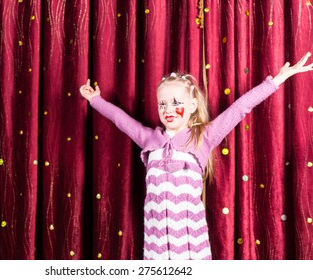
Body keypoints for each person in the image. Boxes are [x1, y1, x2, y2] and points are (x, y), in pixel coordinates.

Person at [79, 52, 313, 260]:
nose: (168, 109)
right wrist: (94, 99)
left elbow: (240, 108)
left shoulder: (203, 137)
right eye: (162, 104)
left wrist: (276, 81)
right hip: (155, 245)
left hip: (191, 246)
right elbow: (120, 120)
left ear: (191, 105)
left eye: (176, 103)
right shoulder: (149, 139)